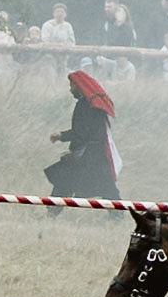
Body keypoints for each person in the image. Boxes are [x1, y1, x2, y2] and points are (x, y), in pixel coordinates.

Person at [45, 70, 122, 202]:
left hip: (89, 155)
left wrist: (61, 136)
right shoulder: (93, 104)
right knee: (106, 187)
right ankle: (117, 216)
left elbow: (81, 132)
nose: (71, 90)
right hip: (95, 154)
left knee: (65, 181)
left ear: (78, 86)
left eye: (72, 86)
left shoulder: (85, 105)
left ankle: (117, 215)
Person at [40, 3, 77, 72]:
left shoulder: (68, 26)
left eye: (62, 12)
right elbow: (45, 41)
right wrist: (58, 45)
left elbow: (72, 41)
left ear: (65, 14)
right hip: (49, 54)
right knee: (50, 69)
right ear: (53, 14)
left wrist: (66, 49)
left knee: (62, 73)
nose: (59, 14)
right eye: (57, 12)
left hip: (63, 55)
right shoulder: (47, 25)